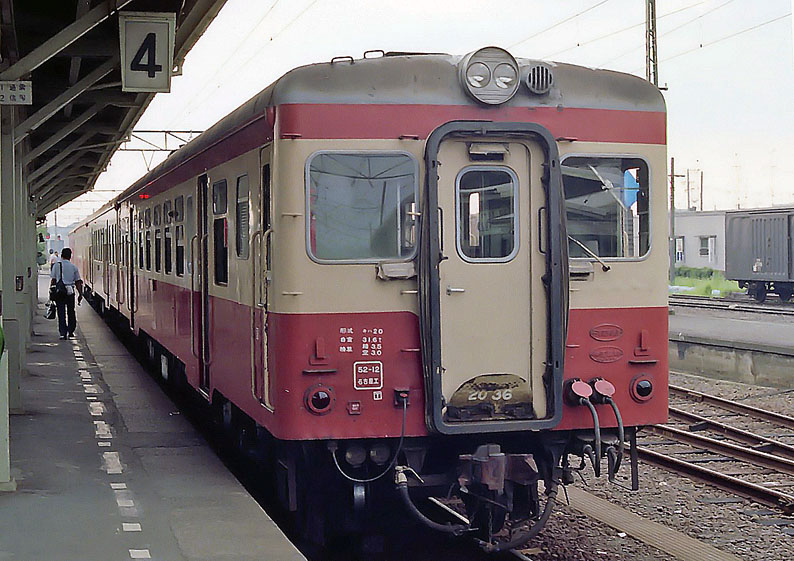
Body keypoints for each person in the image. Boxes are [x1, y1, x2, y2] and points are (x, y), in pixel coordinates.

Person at [50, 248, 83, 340]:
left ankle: (62, 332)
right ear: (70, 256)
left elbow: (53, 280)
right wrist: (80, 294)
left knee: (61, 312)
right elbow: (78, 282)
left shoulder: (56, 266)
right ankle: (71, 330)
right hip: (70, 291)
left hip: (59, 291)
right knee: (71, 311)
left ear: (61, 255)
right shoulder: (73, 267)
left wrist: (51, 291)